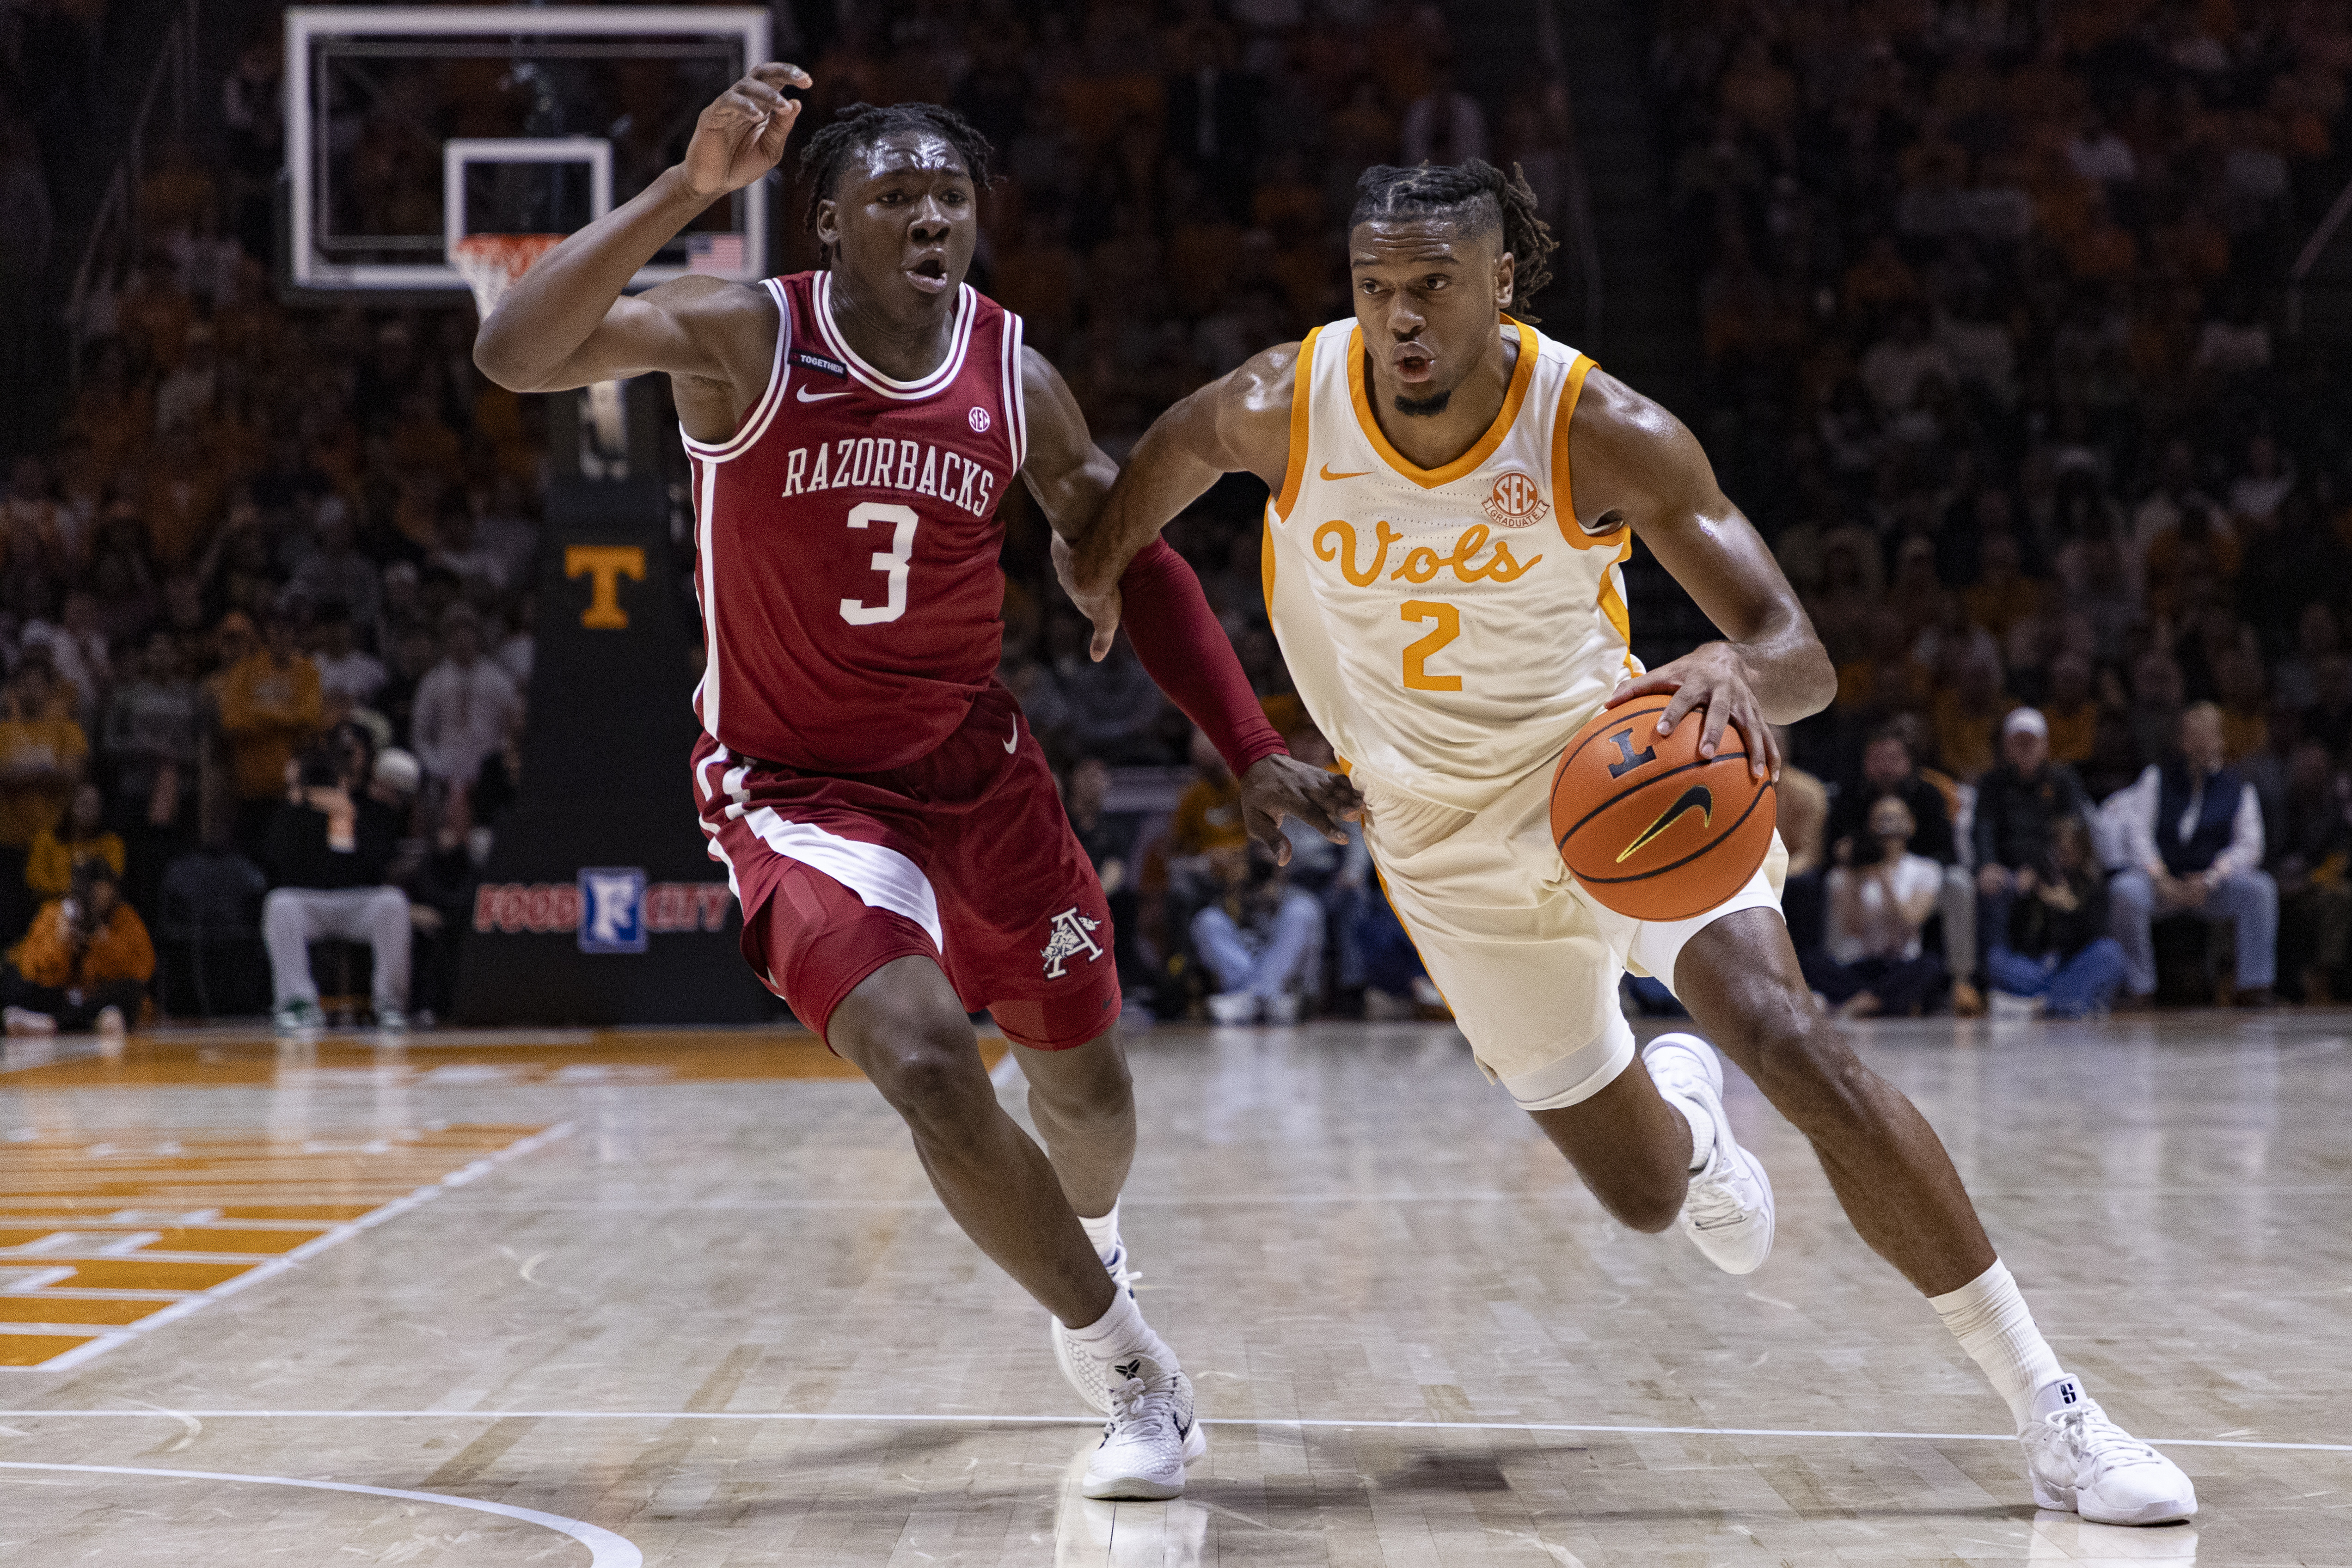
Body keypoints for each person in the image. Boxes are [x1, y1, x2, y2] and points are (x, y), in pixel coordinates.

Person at [1060, 157, 2194, 1525]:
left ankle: (2054, 1406)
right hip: (1435, 843)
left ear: (1501, 283)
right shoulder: (1276, 403)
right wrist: (1096, 575)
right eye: (1374, 287)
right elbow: (1136, 492)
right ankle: (1689, 1112)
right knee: (1649, 1195)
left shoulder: (1599, 426)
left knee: (1792, 1031)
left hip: (1620, 773)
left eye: (1430, 285)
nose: (1400, 315)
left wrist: (1733, 668)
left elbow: (1801, 654)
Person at [472, 71, 1349, 1501]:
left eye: (951, 194)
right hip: (796, 788)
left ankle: (1096, 1236)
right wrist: (687, 191)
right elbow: (516, 349)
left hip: (978, 775)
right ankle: (1133, 1363)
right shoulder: (741, 333)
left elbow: (1123, 547)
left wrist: (1250, 746)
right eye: (896, 194)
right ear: (828, 223)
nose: (932, 214)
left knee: (1092, 1094)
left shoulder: (1013, 374)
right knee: (931, 1061)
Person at [2107, 702, 2277, 1008]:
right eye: (2193, 735)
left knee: (2260, 889)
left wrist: (2212, 878)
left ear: (2221, 740)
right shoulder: (2157, 778)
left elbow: (2251, 845)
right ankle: (2139, 989)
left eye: (2208, 735)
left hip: (2211, 886)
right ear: (2182, 741)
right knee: (2124, 891)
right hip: (2164, 883)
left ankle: (2254, 985)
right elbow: (2138, 833)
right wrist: (2159, 876)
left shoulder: (2238, 787)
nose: (2201, 744)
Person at [1828, 726, 1981, 1014]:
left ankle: (1962, 979)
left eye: (1893, 758)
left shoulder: (1929, 795)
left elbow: (1947, 854)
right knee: (1832, 882)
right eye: (1877, 758)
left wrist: (1899, 861)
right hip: (1860, 885)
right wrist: (1854, 857)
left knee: (1959, 883)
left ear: (1909, 761)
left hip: (1921, 878)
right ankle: (1874, 991)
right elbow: (1832, 849)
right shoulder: (1850, 795)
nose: (1885, 766)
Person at [261, 738, 410, 1032]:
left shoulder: (370, 810)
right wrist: (305, 811)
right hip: (310, 903)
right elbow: (280, 864)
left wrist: (344, 820)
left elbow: (374, 866)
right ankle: (297, 1005)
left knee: (393, 902)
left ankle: (390, 1005)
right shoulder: (293, 813)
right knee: (279, 904)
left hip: (359, 902)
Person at [1972, 707, 2094, 967]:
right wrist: (1988, 865)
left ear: (2045, 746)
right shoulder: (1993, 783)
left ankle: (2059, 967)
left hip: (2053, 869)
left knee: (2074, 891)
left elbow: (2071, 835)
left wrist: (2039, 872)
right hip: (2007, 870)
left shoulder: (2063, 780)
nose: (2026, 747)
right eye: (2018, 741)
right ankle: (1999, 970)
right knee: (1992, 888)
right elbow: (1984, 830)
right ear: (2006, 746)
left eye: (2032, 741)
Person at [1807, 795, 1948, 1017]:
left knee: (1932, 966)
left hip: (1900, 964)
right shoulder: (1844, 875)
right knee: (1812, 963)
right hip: (1860, 964)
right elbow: (1853, 929)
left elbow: (1911, 922)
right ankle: (1882, 1002)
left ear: (1910, 825)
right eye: (1881, 820)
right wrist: (1853, 873)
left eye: (1894, 819)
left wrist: (1883, 876)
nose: (1887, 827)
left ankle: (1861, 1002)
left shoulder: (1926, 870)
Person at [1986, 815, 2127, 1019]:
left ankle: (2043, 1005)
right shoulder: (2039, 881)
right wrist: (2027, 895)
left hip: (2073, 968)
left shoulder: (2095, 887)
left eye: (2068, 852)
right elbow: (2022, 940)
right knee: (1997, 960)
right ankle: (2063, 1003)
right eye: (2058, 851)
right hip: (2040, 969)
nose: (2063, 858)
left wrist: (2070, 909)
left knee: (2111, 954)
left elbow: (2096, 939)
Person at [1, 857, 152, 1038]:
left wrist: (104, 942)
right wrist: (62, 942)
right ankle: (89, 1022)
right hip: (60, 995)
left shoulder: (124, 917)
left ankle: (52, 1024)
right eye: (89, 889)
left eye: (100, 889)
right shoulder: (54, 914)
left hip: (97, 997)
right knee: (14, 982)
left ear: (112, 889)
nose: (94, 898)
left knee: (131, 991)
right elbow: (34, 970)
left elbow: (143, 971)